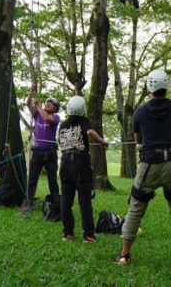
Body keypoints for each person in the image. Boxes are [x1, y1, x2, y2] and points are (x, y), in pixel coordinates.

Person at [116, 69, 171, 270]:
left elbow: (138, 140)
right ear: (167, 87)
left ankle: (124, 255)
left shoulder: (139, 112)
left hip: (148, 165)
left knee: (136, 209)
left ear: (149, 88)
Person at [57, 95, 108, 242]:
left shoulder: (63, 124)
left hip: (65, 162)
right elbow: (90, 132)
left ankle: (68, 232)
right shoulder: (84, 121)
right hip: (80, 163)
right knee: (84, 199)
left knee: (66, 199)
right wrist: (102, 141)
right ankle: (88, 235)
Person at [24, 88, 60, 209]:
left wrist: (39, 106)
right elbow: (27, 103)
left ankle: (55, 204)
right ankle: (28, 203)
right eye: (47, 103)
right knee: (32, 179)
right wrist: (32, 90)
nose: (48, 104)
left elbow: (47, 119)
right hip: (38, 152)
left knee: (52, 179)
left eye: (51, 104)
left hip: (51, 153)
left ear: (55, 108)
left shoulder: (55, 117)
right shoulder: (37, 114)